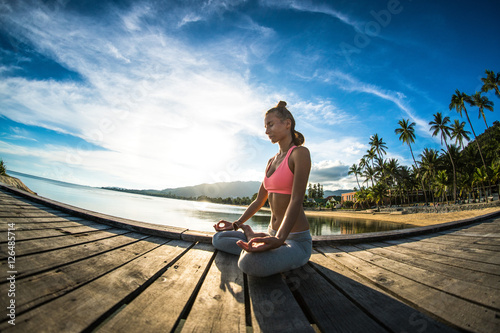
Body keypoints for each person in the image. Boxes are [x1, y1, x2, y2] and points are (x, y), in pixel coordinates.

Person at [212, 101, 312, 277]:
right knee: (218, 238)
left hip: (295, 241)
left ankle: (254, 241)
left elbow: (296, 199)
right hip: (271, 233)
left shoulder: (299, 153)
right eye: (265, 126)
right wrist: (236, 224)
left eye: (271, 125)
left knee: (250, 263)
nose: (266, 131)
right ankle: (252, 236)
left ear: (287, 123)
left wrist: (279, 239)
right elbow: (259, 201)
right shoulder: (271, 161)